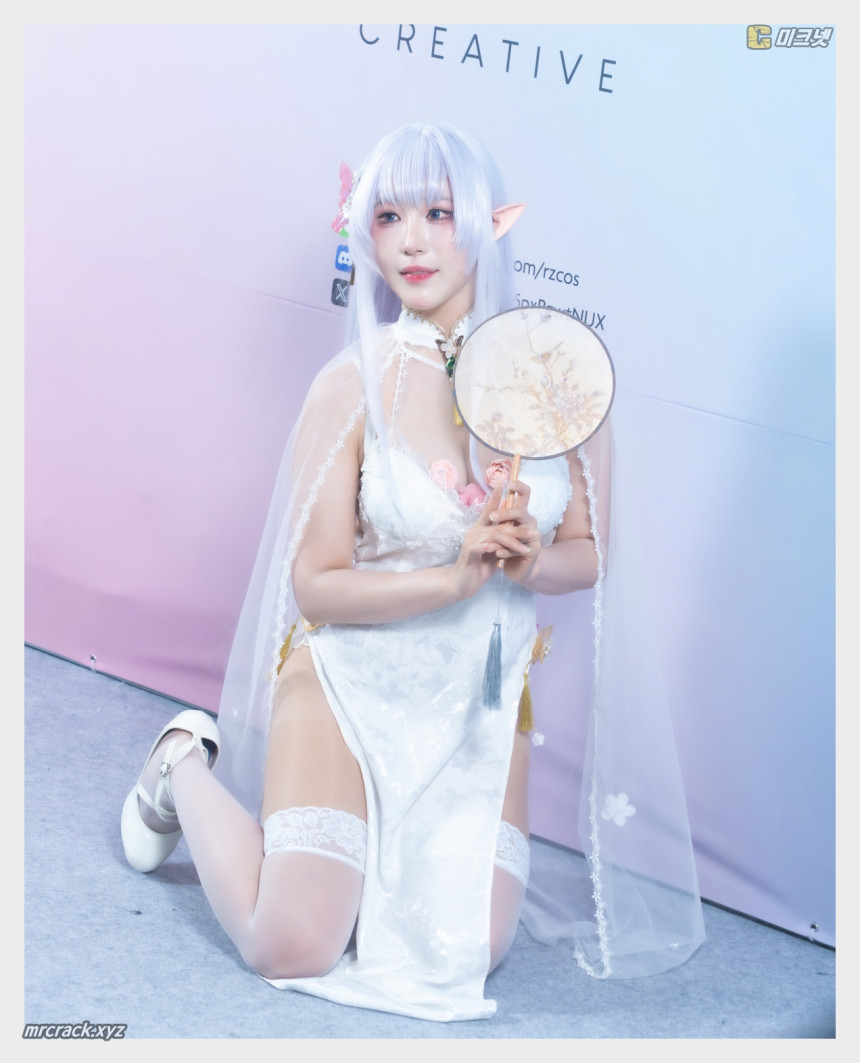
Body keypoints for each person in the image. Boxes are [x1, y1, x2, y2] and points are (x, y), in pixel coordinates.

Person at [121, 123, 705, 1023]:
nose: (413, 241)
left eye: (438, 212)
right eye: (389, 217)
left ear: (488, 222)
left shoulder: (558, 380)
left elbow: (589, 554)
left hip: (479, 696)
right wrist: (453, 579)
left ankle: (347, 860)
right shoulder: (351, 384)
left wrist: (529, 558)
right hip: (350, 679)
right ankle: (180, 765)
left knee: (470, 951)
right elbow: (317, 585)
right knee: (293, 943)